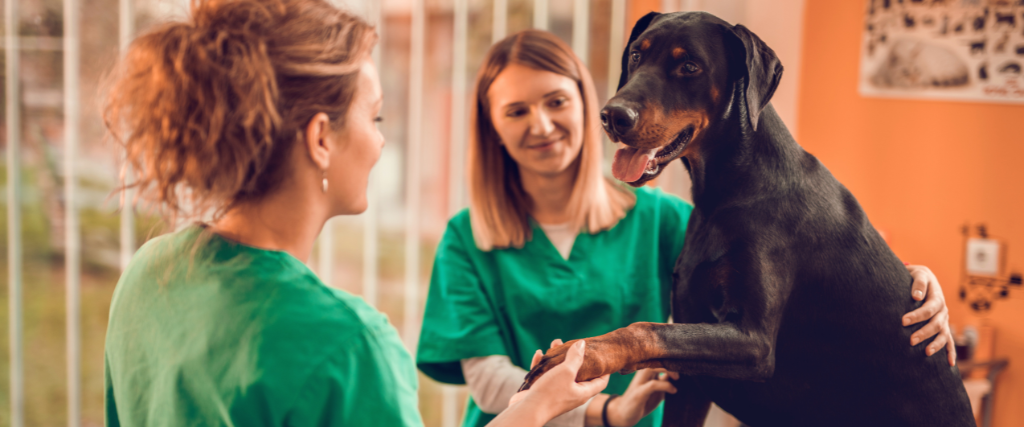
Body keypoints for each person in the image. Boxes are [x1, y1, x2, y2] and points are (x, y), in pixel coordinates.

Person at [415, 29, 956, 427]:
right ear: (492, 127)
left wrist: (918, 281)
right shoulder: (466, 237)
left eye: (557, 101)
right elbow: (486, 380)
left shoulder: (665, 220)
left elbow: (815, 261)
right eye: (516, 111)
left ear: (584, 100)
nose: (542, 124)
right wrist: (608, 414)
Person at [101, 1, 606, 425]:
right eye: (375, 115)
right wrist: (541, 407)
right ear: (321, 138)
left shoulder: (150, 272)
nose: (381, 140)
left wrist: (536, 403)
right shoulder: (348, 346)